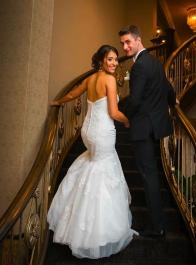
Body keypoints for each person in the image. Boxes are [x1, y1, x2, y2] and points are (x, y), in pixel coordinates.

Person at [47, 45, 137, 259]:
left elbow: (73, 93)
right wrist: (127, 121)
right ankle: (94, 233)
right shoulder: (109, 80)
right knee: (102, 171)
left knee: (91, 166)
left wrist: (58, 101)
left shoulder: (90, 79)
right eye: (110, 59)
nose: (114, 63)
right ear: (101, 61)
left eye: (116, 59)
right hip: (102, 132)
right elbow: (114, 112)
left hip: (87, 132)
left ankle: (74, 223)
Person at [118, 25, 176, 238]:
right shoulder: (155, 63)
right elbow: (167, 87)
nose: (125, 47)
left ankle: (156, 227)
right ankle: (158, 223)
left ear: (138, 40)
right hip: (156, 126)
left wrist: (123, 117)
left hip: (143, 128)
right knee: (152, 174)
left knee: (149, 176)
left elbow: (134, 100)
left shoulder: (139, 66)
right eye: (122, 43)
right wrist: (173, 102)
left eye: (128, 42)